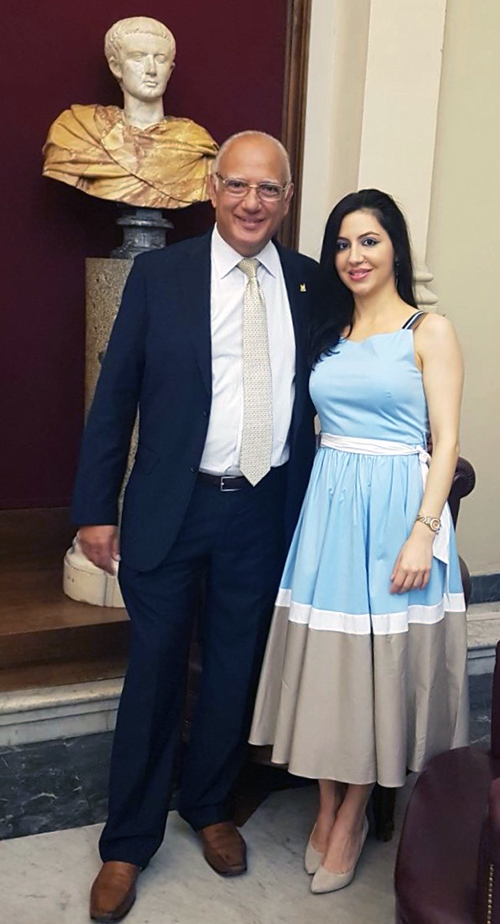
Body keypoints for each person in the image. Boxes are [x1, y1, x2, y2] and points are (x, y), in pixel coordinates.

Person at [72, 130, 318, 922]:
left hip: (263, 509)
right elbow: (115, 398)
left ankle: (209, 804)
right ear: (212, 190)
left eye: (268, 188)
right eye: (237, 185)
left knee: (233, 668)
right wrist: (94, 509)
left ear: (286, 199)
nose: (252, 202)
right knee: (154, 671)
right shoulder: (160, 276)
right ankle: (127, 841)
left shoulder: (310, 285)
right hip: (171, 508)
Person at [249, 188, 469, 895]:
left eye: (369, 240)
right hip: (331, 511)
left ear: (395, 247)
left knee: (379, 668)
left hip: (399, 509)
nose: (355, 256)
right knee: (328, 666)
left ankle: (351, 815)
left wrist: (423, 534)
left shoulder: (428, 330)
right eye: (343, 244)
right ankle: (326, 802)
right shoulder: (328, 330)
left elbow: (446, 442)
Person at [42, 17, 217, 208]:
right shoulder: (78, 130)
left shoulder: (195, 142)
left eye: (160, 59)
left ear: (170, 70)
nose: (151, 70)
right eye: (138, 57)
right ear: (116, 67)